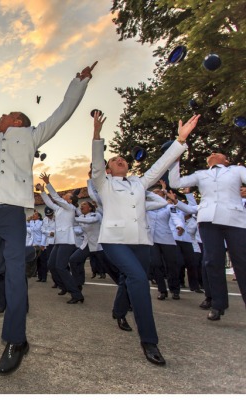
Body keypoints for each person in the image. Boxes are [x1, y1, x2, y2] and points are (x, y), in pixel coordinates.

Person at [0, 62, 96, 375]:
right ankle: (29, 255)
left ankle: (15, 340)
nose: (0, 118)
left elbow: (63, 112)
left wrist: (79, 82)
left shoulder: (31, 135)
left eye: (5, 115)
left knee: (15, 278)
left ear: (16, 120)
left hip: (16, 213)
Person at [91, 110, 199, 366]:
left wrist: (180, 141)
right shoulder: (103, 183)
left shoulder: (139, 183)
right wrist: (96, 135)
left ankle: (118, 312)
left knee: (130, 280)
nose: (120, 161)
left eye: (123, 159)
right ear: (107, 168)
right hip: (114, 239)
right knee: (138, 279)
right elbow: (96, 163)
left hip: (140, 240)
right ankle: (149, 341)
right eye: (114, 159)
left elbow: (160, 165)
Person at [169, 149, 246, 320]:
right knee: (212, 261)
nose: (212, 153)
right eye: (210, 153)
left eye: (218, 152)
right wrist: (175, 159)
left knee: (242, 261)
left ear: (226, 160)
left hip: (235, 220)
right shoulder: (201, 174)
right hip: (208, 220)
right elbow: (175, 182)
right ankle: (218, 304)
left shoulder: (236, 170)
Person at [37, 175, 84, 304]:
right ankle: (64, 286)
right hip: (59, 241)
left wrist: (48, 183)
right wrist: (42, 191)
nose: (64, 196)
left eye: (67, 196)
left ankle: (76, 293)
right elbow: (50, 203)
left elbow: (56, 198)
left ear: (70, 200)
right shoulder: (59, 209)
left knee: (61, 267)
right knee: (51, 265)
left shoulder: (71, 208)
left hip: (67, 241)